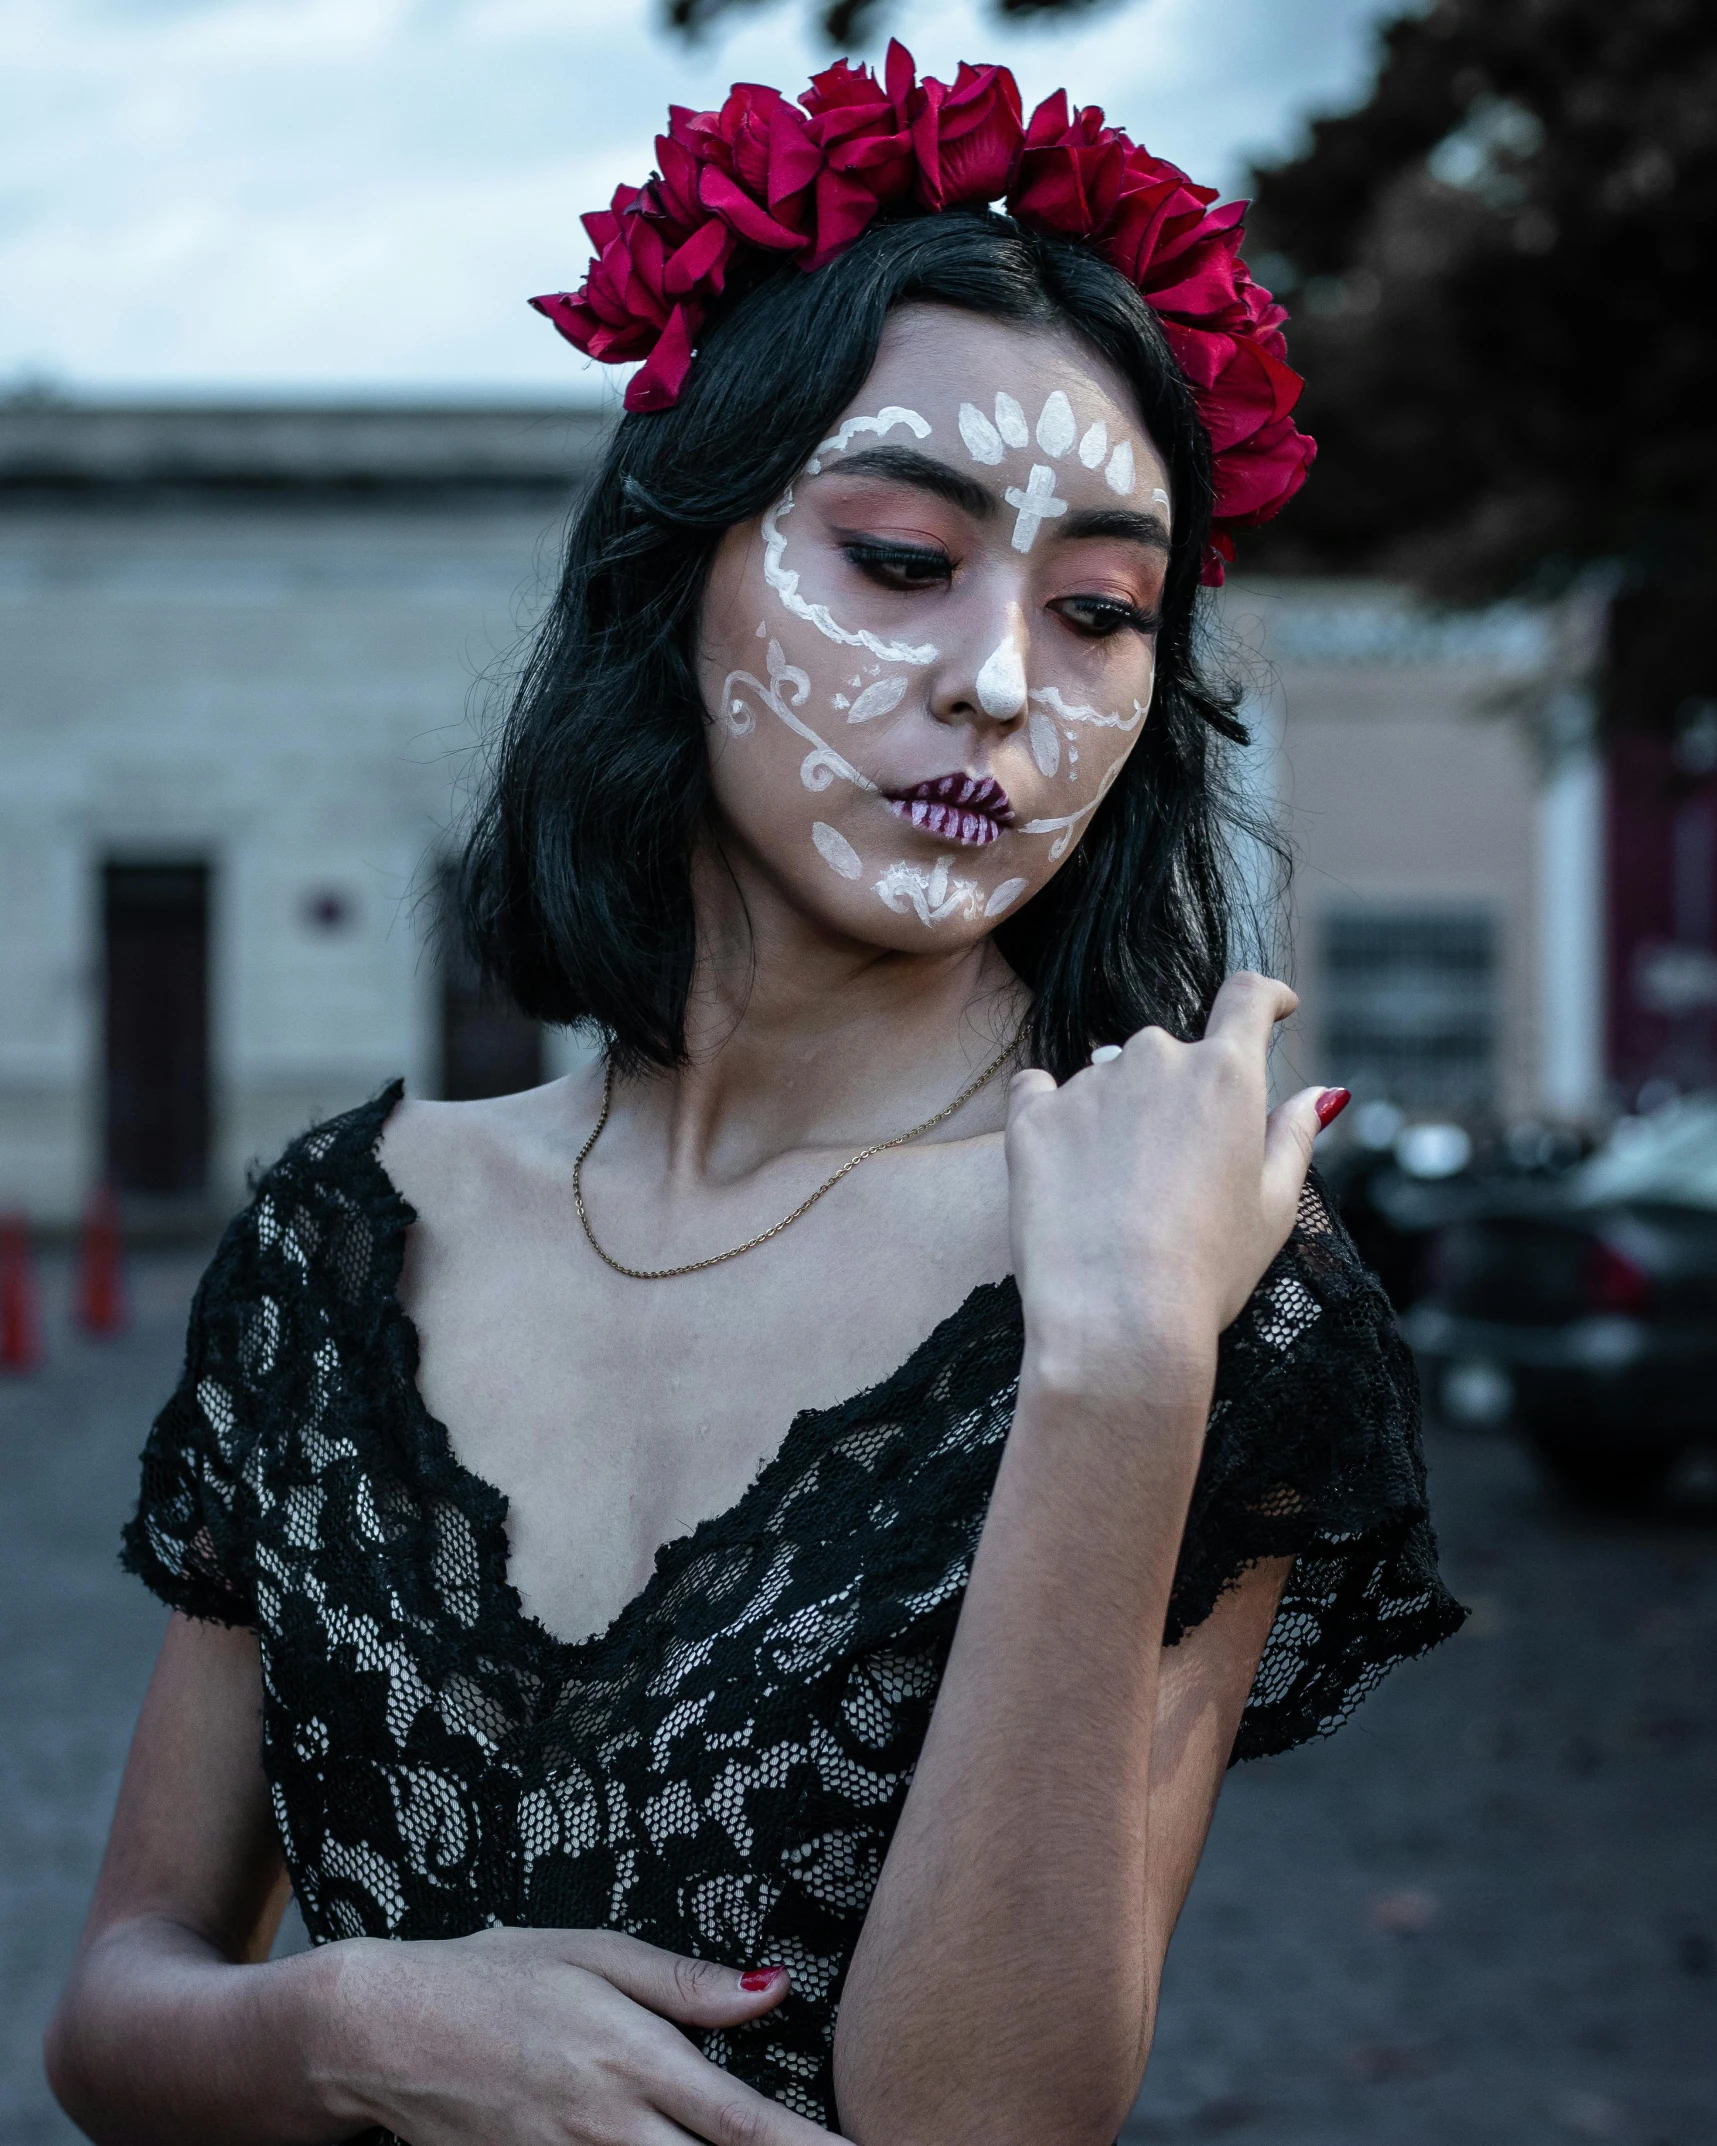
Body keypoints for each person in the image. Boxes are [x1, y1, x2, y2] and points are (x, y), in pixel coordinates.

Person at [46, 45, 1465, 2146]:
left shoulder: (1203, 1286)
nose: (1001, 677)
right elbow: (114, 2012)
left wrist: (1117, 1371)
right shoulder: (343, 1236)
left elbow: (982, 2116)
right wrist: (351, 2018)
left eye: (1098, 609)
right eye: (901, 557)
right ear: (676, 571)